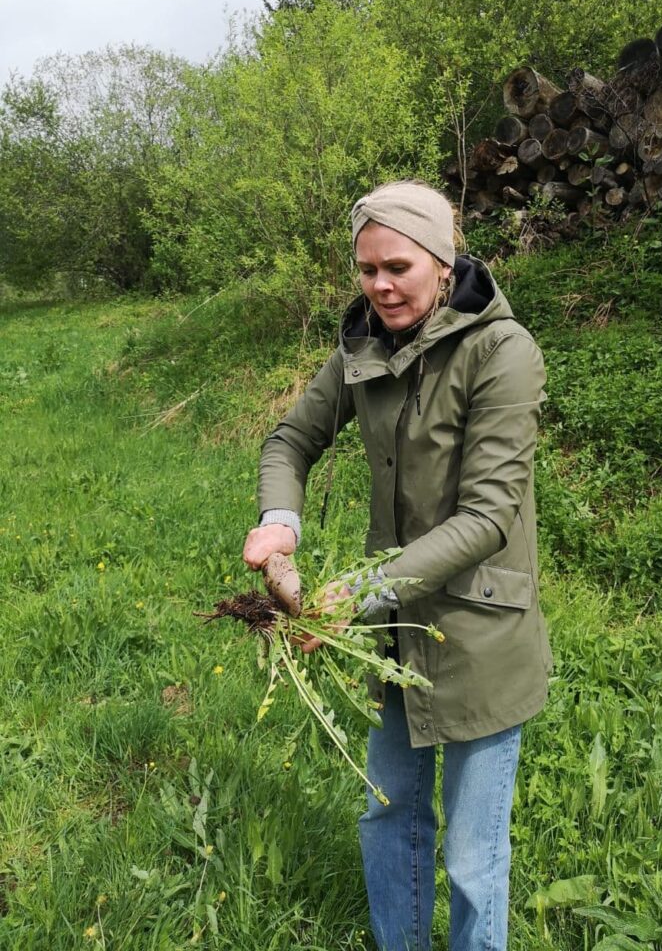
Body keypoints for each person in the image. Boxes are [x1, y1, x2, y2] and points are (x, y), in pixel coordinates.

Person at [242, 180, 552, 951]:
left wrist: (362, 590)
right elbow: (290, 440)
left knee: (474, 857)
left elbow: (487, 518)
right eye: (366, 268)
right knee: (389, 814)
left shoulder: (501, 352)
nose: (380, 284)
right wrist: (279, 525)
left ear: (443, 264)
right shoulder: (362, 348)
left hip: (482, 628)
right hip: (391, 631)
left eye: (399, 267)